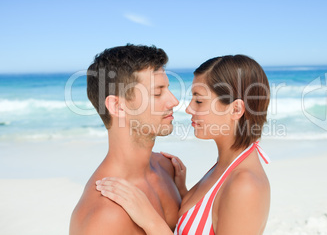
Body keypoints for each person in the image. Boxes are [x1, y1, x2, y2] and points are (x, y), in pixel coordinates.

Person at [96, 55, 271, 235]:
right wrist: (183, 193)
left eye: (199, 101)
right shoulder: (225, 165)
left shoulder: (244, 185)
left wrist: (150, 220)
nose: (188, 108)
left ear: (235, 109)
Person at [69, 44, 181, 234]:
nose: (174, 101)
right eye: (157, 93)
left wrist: (186, 193)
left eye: (168, 89)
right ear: (117, 106)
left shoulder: (167, 168)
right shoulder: (105, 216)